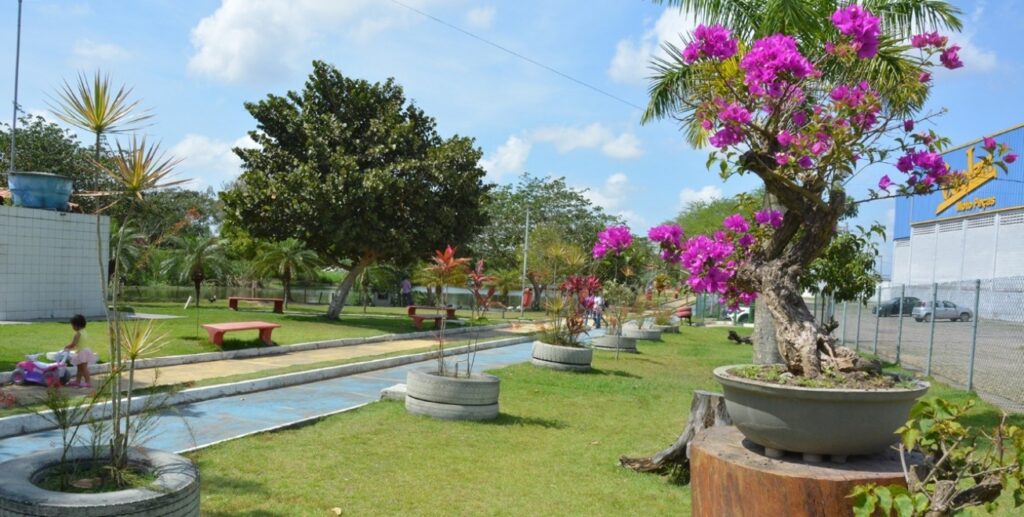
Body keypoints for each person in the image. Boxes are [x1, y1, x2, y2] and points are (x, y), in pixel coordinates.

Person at [64, 314, 96, 388]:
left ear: (76, 325)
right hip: (83, 351)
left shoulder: (78, 334)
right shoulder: (83, 331)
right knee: (79, 368)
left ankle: (88, 382)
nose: (72, 327)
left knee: (83, 368)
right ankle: (77, 381)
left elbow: (73, 344)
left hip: (82, 352)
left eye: (73, 325)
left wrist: (66, 347)